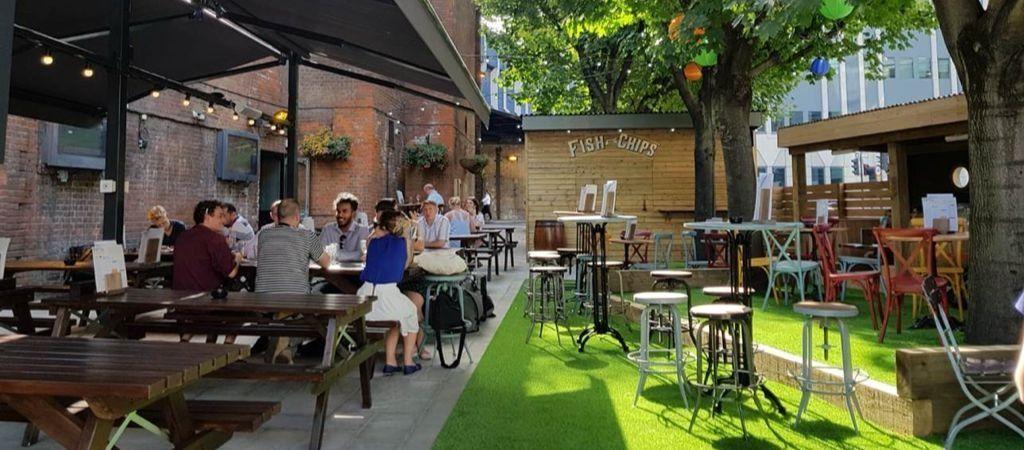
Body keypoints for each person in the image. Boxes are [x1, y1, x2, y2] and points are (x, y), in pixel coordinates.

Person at [359, 210, 424, 375]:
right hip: (386, 293)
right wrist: (408, 237)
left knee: (395, 317)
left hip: (363, 297)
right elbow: (406, 264)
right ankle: (408, 362)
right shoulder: (401, 242)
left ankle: (391, 361)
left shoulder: (373, 242)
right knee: (411, 312)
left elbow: (370, 243)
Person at [255, 199, 330, 294]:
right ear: (297, 217)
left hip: (263, 298)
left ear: (278, 217)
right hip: (297, 298)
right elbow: (326, 263)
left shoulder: (263, 235)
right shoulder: (307, 235)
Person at [172, 200, 241, 291]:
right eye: (220, 216)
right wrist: (238, 259)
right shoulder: (216, 239)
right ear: (207, 217)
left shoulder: (182, 236)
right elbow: (231, 273)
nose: (223, 221)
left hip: (178, 295)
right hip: (205, 296)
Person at [319, 192, 371, 262]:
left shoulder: (362, 230)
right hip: (330, 269)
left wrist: (335, 255)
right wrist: (355, 255)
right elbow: (320, 255)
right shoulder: (328, 229)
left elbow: (364, 255)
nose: (340, 215)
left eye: (344, 211)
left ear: (353, 213)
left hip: (356, 269)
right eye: (338, 211)